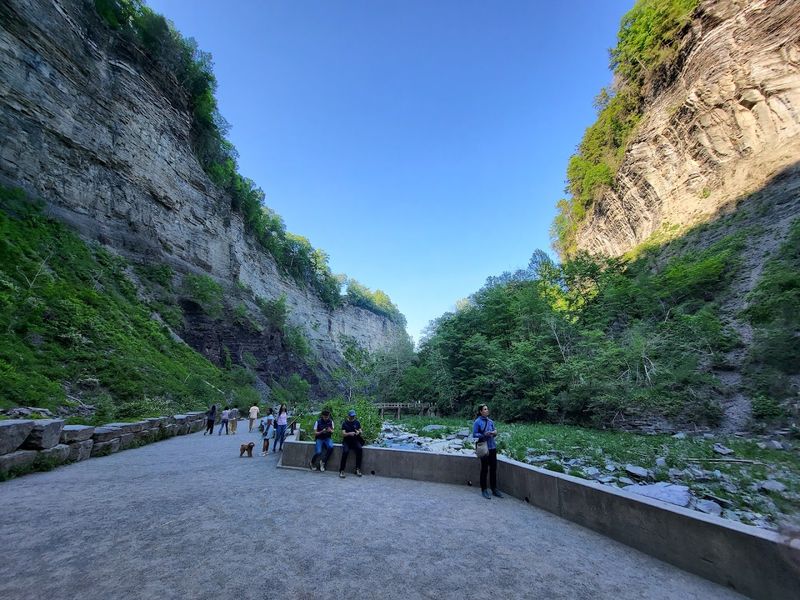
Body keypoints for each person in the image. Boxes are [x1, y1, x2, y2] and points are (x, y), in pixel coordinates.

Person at [473, 404, 502, 499]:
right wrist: (483, 434)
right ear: (481, 411)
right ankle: (484, 489)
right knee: (484, 469)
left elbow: (495, 432)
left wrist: (494, 433)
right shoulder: (477, 422)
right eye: (485, 409)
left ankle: (494, 489)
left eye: (487, 409)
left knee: (493, 469)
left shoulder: (491, 421)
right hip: (484, 447)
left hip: (492, 447)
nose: (487, 410)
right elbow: (474, 434)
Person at [339, 409, 363, 478]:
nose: (353, 417)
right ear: (348, 416)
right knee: (345, 452)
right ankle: (341, 470)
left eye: (354, 416)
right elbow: (343, 434)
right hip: (346, 441)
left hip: (355, 440)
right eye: (351, 416)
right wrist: (349, 433)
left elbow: (361, 431)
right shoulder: (345, 423)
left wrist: (359, 432)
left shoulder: (357, 422)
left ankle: (357, 469)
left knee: (359, 449)